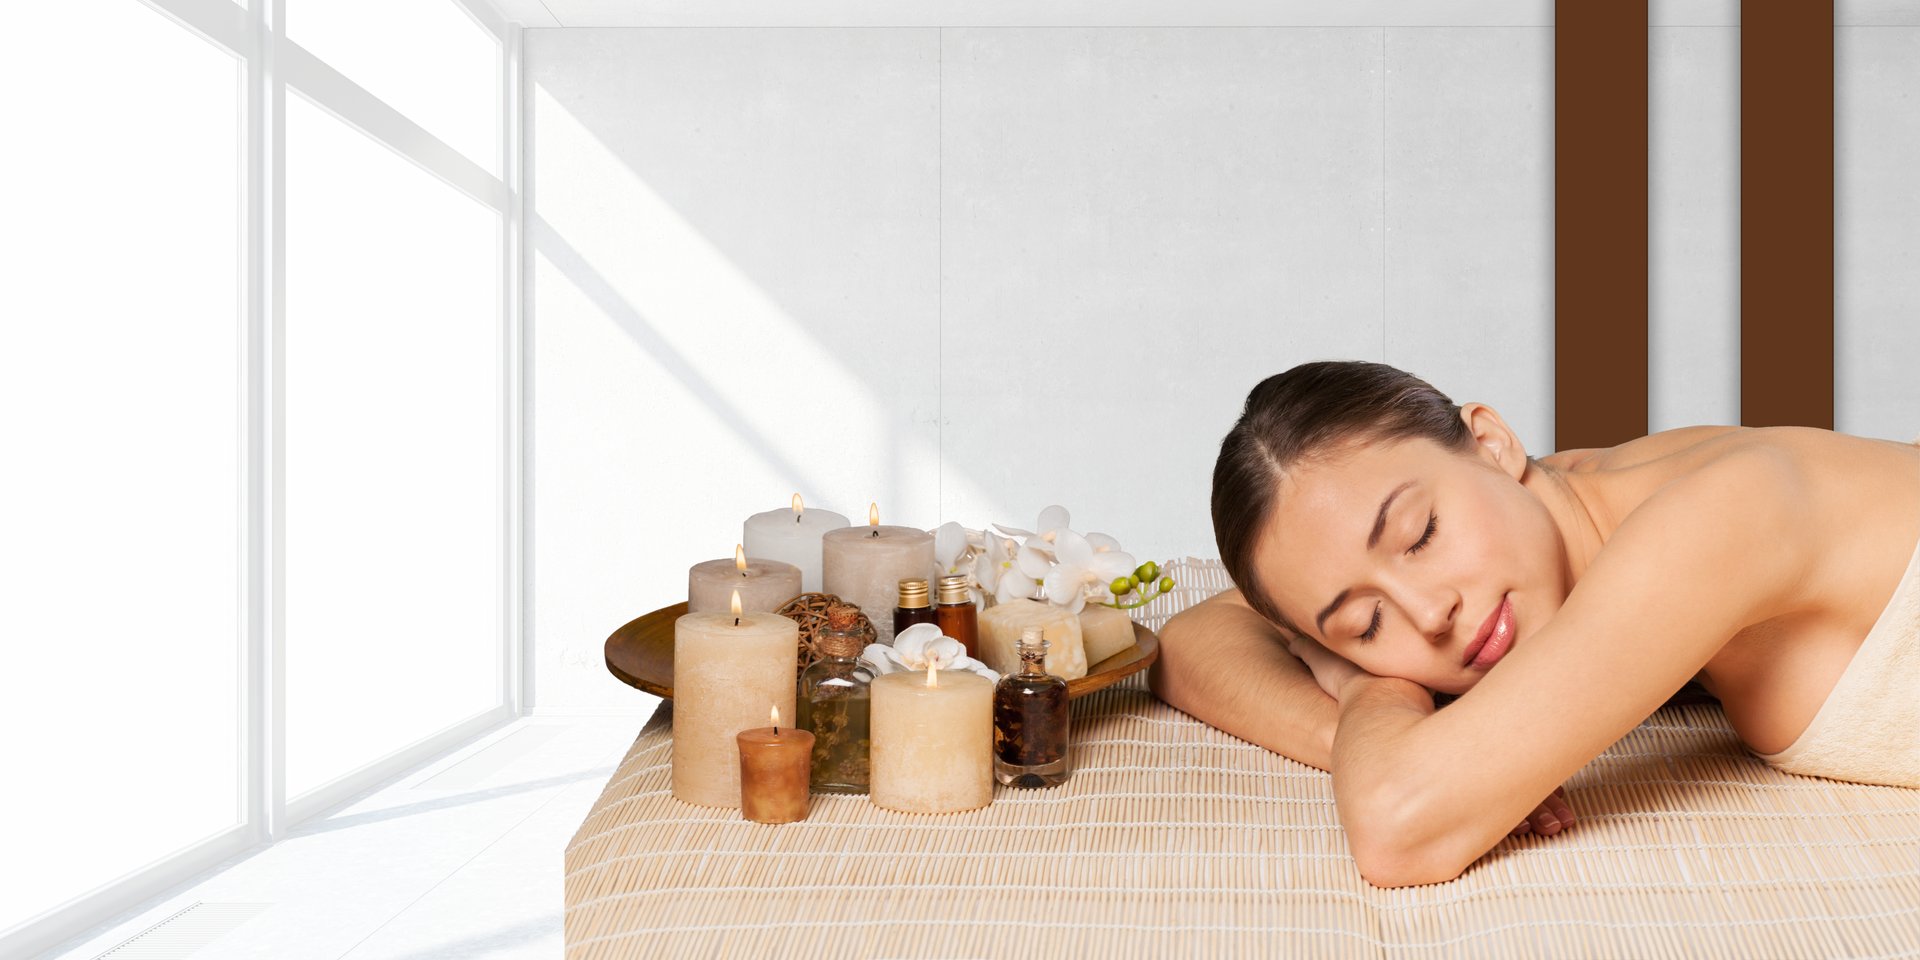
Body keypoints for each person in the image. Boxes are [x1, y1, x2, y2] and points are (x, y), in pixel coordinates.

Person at [1148, 360, 1920, 888]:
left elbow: (1398, 824)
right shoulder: (1564, 500)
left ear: (1491, 441)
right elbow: (1187, 641)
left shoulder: (1710, 520)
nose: (1429, 613)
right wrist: (1392, 725)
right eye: (1364, 622)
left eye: (1420, 535)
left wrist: (1376, 702)